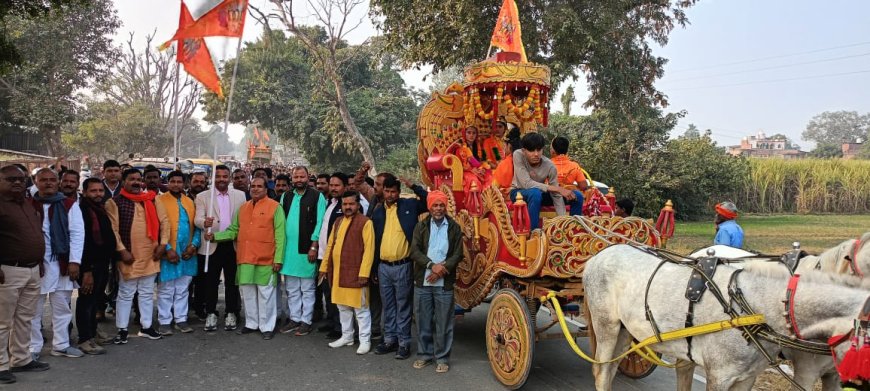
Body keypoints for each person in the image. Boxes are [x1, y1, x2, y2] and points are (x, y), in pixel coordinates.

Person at [207, 177, 285, 340]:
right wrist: (215, 237)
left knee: (265, 294)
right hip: (245, 257)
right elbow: (234, 230)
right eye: (253, 186)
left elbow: (280, 235)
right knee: (248, 293)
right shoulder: (243, 208)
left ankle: (267, 326)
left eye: (259, 186)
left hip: (266, 258)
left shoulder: (275, 207)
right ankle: (251, 323)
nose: (255, 189)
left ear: (266, 189)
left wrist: (278, 259)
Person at [105, 168, 170, 344]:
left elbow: (165, 222)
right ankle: (122, 329)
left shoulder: (152, 199)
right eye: (131, 179)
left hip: (151, 254)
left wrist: (163, 244)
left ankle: (146, 327)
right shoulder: (114, 202)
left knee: (147, 292)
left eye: (138, 179)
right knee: (126, 293)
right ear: (123, 182)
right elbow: (113, 230)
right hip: (129, 255)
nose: (136, 182)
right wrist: (121, 250)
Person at [0, 165, 50, 383]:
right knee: (3, 322)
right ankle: (1, 365)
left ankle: (21, 359)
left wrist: (38, 262)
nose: (18, 183)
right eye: (11, 179)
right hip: (8, 270)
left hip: (31, 269)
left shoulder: (26, 203)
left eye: (21, 179)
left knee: (25, 318)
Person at [28, 168, 85, 359]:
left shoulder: (69, 204)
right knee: (33, 310)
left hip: (61, 263)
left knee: (62, 308)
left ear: (57, 182)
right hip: (35, 264)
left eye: (52, 179)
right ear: (35, 182)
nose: (48, 183)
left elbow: (77, 234)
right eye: (43, 179)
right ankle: (33, 348)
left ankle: (61, 345)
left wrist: (74, 261)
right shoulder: (27, 204)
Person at [371, 176, 428, 360]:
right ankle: (389, 340)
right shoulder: (378, 212)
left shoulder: (409, 205)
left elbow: (429, 201)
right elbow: (374, 242)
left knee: (403, 305)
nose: (389, 195)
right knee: (388, 306)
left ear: (398, 191)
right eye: (387, 191)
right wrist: (374, 269)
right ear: (383, 191)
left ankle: (404, 343)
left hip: (403, 265)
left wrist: (414, 186)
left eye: (393, 191)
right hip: (383, 267)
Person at [409, 190, 463, 373]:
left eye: (441, 205)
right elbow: (414, 251)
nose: (438, 208)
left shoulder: (454, 227)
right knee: (423, 321)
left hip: (444, 284)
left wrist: (441, 270)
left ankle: (442, 358)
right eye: (435, 205)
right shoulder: (421, 226)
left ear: (445, 207)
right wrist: (432, 266)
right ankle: (424, 355)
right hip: (423, 282)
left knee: (444, 323)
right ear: (429, 207)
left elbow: (458, 254)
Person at [319, 191, 375, 355]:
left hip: (357, 273)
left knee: (361, 309)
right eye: (345, 204)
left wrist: (364, 273)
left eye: (351, 204)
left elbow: (369, 250)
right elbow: (330, 246)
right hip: (338, 272)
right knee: (343, 307)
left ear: (358, 205)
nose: (348, 207)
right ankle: (347, 336)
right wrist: (324, 267)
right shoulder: (338, 221)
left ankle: (365, 340)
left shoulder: (365, 222)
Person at [195, 165, 247, 331]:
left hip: (233, 244)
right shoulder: (203, 196)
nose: (221, 179)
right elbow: (197, 219)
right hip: (211, 244)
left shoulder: (240, 196)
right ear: (212, 178)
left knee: (232, 281)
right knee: (211, 282)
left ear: (229, 178)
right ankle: (211, 312)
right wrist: (204, 223)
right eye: (218, 176)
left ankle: (231, 312)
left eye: (225, 176)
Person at [278, 167, 326, 336]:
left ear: (308, 177)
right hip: (288, 250)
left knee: (307, 289)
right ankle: (294, 319)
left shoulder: (317, 196)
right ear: (292, 178)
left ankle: (306, 321)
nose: (299, 179)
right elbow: (280, 221)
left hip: (307, 249)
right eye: (296, 176)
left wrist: (314, 245)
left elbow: (320, 222)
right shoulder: (286, 196)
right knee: (291, 288)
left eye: (302, 176)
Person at [155, 171, 200, 335]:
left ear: (184, 184)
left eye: (179, 182)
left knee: (182, 288)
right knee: (166, 288)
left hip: (187, 252)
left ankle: (181, 319)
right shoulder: (159, 200)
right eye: (172, 181)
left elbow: (197, 226)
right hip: (168, 251)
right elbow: (157, 228)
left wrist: (193, 245)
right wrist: (167, 249)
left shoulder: (189, 202)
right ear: (167, 183)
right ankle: (164, 321)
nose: (176, 184)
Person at [75, 178, 116, 355]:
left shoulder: (98, 208)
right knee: (86, 301)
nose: (98, 194)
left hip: (102, 262)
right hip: (89, 265)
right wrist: (86, 270)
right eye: (93, 191)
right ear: (84, 192)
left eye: (100, 190)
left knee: (94, 300)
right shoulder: (82, 211)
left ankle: (93, 333)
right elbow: (82, 242)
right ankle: (85, 339)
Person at [510, 132, 582, 229]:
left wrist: (562, 220)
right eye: (531, 150)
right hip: (518, 192)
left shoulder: (549, 165)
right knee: (535, 193)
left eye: (539, 150)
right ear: (524, 150)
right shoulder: (518, 154)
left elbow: (556, 195)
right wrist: (558, 189)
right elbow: (526, 183)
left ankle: (572, 230)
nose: (536, 154)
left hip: (539, 194)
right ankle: (534, 232)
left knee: (577, 196)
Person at [316, 173, 351, 339]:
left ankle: (340, 327)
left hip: (337, 257)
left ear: (345, 186)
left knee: (337, 293)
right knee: (327, 291)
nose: (333, 188)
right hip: (323, 255)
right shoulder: (330, 203)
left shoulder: (347, 206)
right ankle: (331, 320)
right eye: (331, 185)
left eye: (337, 185)